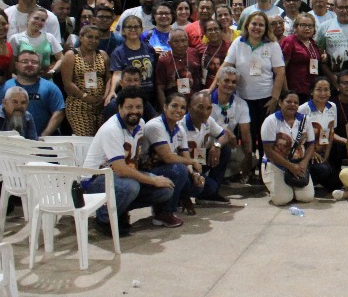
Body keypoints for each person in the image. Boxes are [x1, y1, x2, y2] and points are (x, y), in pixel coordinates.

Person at [83, 90, 180, 235]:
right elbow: (121, 170)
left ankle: (119, 211)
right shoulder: (112, 129)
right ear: (120, 108)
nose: (134, 111)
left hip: (119, 178)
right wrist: (153, 180)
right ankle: (104, 219)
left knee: (166, 189)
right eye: (129, 107)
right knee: (131, 186)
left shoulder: (141, 124)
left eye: (138, 107)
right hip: (94, 180)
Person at [221, 12, 286, 155]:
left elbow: (280, 72)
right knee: (246, 138)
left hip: (266, 100)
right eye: (254, 24)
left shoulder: (272, 44)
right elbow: (225, 67)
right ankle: (248, 165)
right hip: (243, 100)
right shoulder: (238, 42)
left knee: (266, 138)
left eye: (261, 25)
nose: (257, 27)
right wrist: (211, 89)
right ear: (247, 25)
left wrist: (275, 98)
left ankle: (264, 166)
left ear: (266, 28)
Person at [142, 91, 205, 216]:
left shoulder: (180, 129)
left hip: (165, 168)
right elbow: (168, 158)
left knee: (198, 185)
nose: (178, 110)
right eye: (174, 106)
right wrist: (193, 162)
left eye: (182, 107)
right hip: (146, 170)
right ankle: (164, 213)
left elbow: (186, 158)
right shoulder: (155, 126)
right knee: (179, 170)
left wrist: (195, 174)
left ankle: (180, 199)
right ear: (165, 107)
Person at [0, 50, 65, 136]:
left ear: (40, 66)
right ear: (16, 65)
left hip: (42, 140)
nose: (29, 65)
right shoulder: (4, 88)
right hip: (8, 140)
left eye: (34, 62)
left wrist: (43, 136)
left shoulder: (51, 88)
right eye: (24, 61)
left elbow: (59, 113)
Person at [260, 91, 316, 206]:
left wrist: (304, 163)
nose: (292, 105)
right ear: (280, 103)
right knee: (282, 200)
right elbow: (268, 151)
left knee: (306, 197)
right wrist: (290, 166)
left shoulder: (305, 120)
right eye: (288, 102)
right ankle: (275, 185)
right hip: (276, 164)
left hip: (298, 164)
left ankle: (288, 189)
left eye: (296, 102)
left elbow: (311, 144)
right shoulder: (271, 121)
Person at [181, 91, 237, 205]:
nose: (205, 112)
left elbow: (225, 135)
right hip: (184, 166)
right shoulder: (181, 126)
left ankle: (211, 195)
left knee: (224, 150)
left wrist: (216, 146)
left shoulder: (208, 121)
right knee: (210, 187)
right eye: (200, 107)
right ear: (190, 108)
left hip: (198, 160)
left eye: (208, 108)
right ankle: (181, 194)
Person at [59, 25, 112, 136]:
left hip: (100, 104)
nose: (93, 40)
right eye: (90, 37)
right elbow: (68, 83)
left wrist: (105, 96)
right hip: (79, 105)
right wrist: (86, 97)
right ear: (81, 37)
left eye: (97, 38)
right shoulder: (71, 55)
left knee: (101, 138)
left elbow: (108, 78)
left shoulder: (102, 55)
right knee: (85, 138)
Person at [211, 66, 255, 183]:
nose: (230, 84)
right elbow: (203, 126)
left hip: (228, 143)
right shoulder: (206, 99)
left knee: (250, 158)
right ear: (218, 81)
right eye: (226, 80)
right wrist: (227, 132)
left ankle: (222, 174)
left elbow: (246, 135)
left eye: (234, 82)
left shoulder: (241, 104)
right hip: (207, 142)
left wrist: (247, 157)